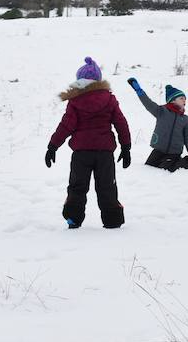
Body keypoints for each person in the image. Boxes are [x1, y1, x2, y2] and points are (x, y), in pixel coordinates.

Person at [46, 57, 131, 229]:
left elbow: (66, 125)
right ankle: (112, 220)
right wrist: (126, 146)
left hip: (81, 153)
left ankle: (73, 217)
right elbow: (121, 122)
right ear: (98, 81)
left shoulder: (75, 101)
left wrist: (53, 146)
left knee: (77, 186)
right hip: (104, 153)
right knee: (106, 186)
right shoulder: (109, 99)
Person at [126, 78, 188, 171]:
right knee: (149, 167)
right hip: (158, 150)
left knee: (165, 168)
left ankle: (185, 161)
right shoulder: (161, 111)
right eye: (181, 98)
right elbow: (148, 104)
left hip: (174, 153)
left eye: (185, 99)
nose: (184, 100)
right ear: (172, 100)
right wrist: (139, 91)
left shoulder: (185, 119)